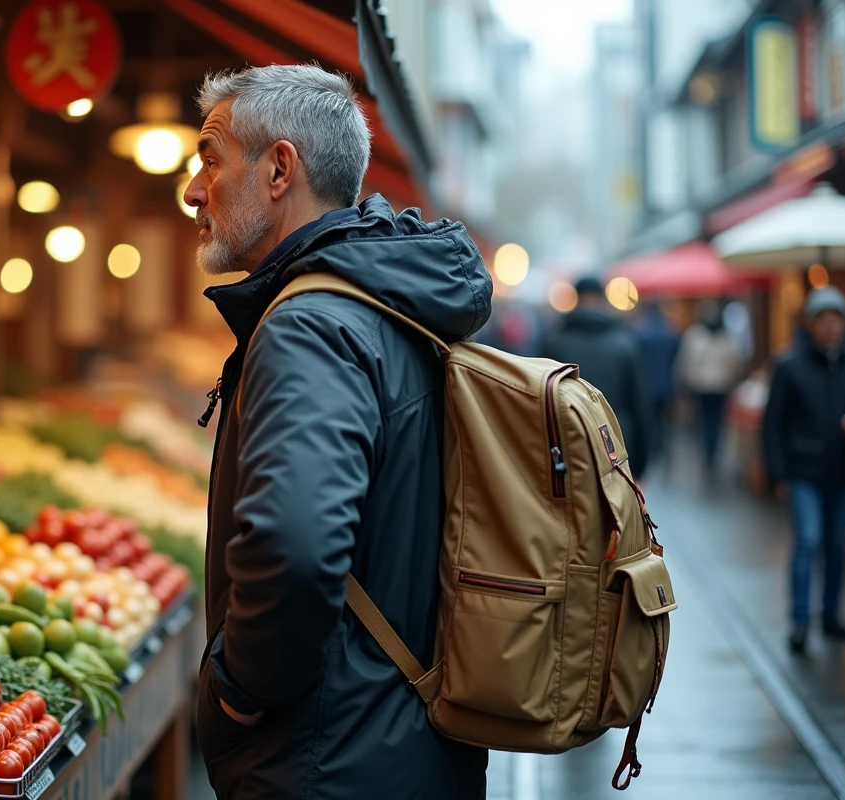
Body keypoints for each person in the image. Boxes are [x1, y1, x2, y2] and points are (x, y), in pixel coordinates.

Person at [183, 65, 492, 799]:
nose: (194, 191)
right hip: (404, 733)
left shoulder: (310, 326)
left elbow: (294, 547)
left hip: (328, 759)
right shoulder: (391, 303)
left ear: (280, 168)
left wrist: (235, 691)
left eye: (210, 160)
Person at [762, 286, 845, 654]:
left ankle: (830, 616)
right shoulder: (789, 366)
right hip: (803, 472)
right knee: (808, 541)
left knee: (835, 545)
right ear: (811, 324)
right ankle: (800, 621)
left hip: (844, 472)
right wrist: (777, 473)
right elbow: (773, 424)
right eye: (823, 319)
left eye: (837, 320)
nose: (830, 327)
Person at [540, 277, 652, 479]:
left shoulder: (554, 341)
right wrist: (641, 464)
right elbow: (640, 406)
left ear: (577, 298)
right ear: (602, 299)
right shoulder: (625, 342)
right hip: (616, 447)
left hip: (567, 448)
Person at [676, 300, 744, 472]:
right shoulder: (722, 337)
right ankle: (711, 448)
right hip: (713, 385)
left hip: (708, 384)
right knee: (711, 418)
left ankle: (710, 448)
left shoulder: (697, 335)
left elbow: (687, 361)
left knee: (709, 418)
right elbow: (734, 362)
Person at [633, 301, 681, 466]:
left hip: (647, 384)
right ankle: (663, 445)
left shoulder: (642, 334)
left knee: (651, 417)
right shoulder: (670, 334)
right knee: (663, 418)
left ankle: (654, 445)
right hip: (666, 383)